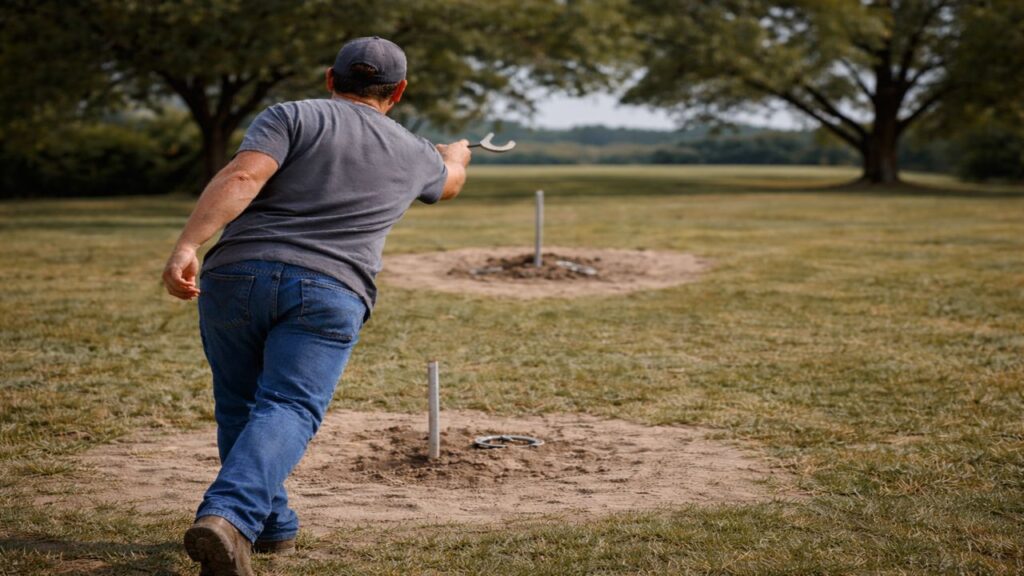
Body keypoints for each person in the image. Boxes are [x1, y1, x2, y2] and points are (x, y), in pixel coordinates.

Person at [161, 36, 471, 576]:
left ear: (332, 78)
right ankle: (230, 516)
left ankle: (269, 525)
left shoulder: (291, 116)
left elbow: (242, 177)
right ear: (397, 91)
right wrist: (454, 155)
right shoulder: (415, 152)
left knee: (241, 405)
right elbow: (449, 186)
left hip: (235, 275)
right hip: (330, 289)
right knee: (288, 406)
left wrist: (188, 245)